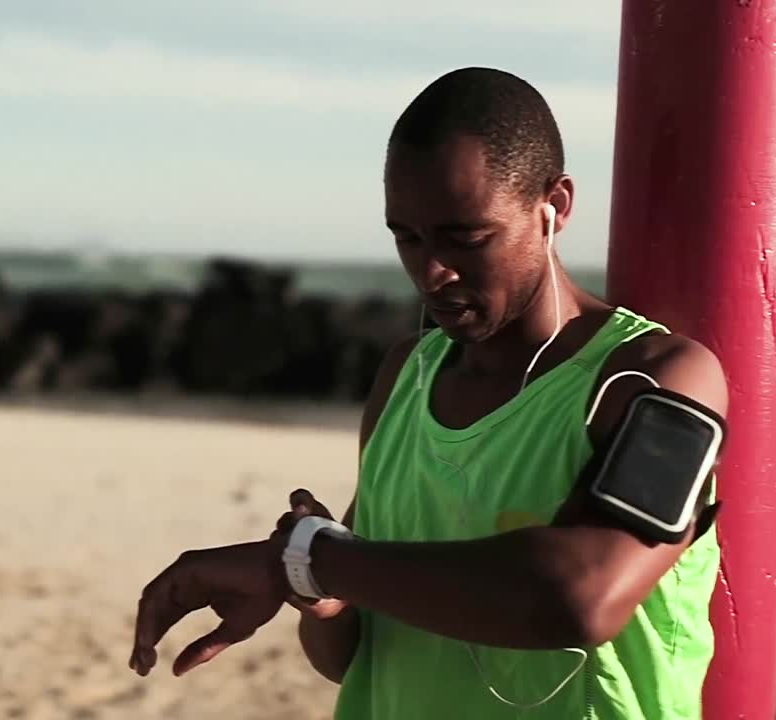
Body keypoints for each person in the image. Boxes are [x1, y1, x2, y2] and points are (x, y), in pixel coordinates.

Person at [128, 67, 727, 719]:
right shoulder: (404, 375)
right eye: (406, 238)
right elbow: (347, 655)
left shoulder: (656, 376)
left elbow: (581, 597)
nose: (432, 272)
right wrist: (316, 588)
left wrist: (309, 559)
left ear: (554, 205)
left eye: (465, 238)